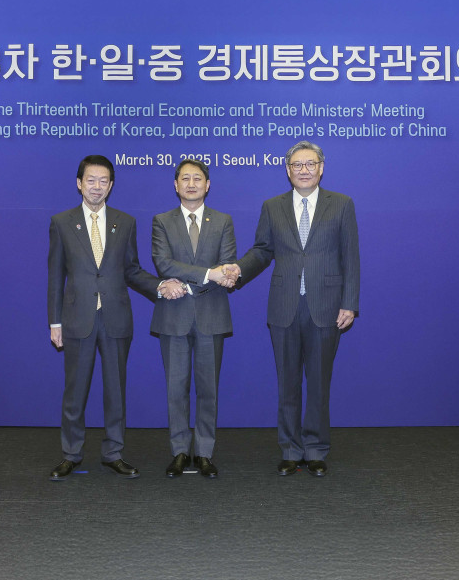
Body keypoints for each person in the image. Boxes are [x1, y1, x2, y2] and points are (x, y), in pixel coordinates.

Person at [223, 141, 359, 477]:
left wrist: (350, 303)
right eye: (297, 165)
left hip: (326, 308)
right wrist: (238, 269)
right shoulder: (273, 206)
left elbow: (350, 257)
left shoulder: (342, 204)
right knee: (288, 384)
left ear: (321, 168)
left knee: (318, 384)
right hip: (284, 306)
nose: (304, 170)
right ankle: (290, 450)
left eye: (310, 164)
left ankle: (315, 449)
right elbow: (262, 251)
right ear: (287, 170)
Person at [47, 154, 185, 480]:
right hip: (77, 319)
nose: (97, 187)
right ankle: (71, 454)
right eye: (91, 180)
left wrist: (160, 285)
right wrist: (55, 322)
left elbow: (132, 270)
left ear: (110, 186)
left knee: (116, 391)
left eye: (103, 181)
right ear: (79, 183)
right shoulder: (62, 222)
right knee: (74, 392)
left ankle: (113, 453)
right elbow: (55, 276)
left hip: (115, 318)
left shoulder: (125, 222)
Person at [150, 159, 237, 479]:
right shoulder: (162, 221)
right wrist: (208, 274)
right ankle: (179, 451)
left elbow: (226, 267)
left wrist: (195, 282)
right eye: (185, 179)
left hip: (212, 315)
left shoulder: (223, 221)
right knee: (176, 389)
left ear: (207, 185)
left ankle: (203, 452)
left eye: (197, 179)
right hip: (173, 316)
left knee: (208, 389)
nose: (191, 184)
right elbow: (163, 264)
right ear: (176, 185)